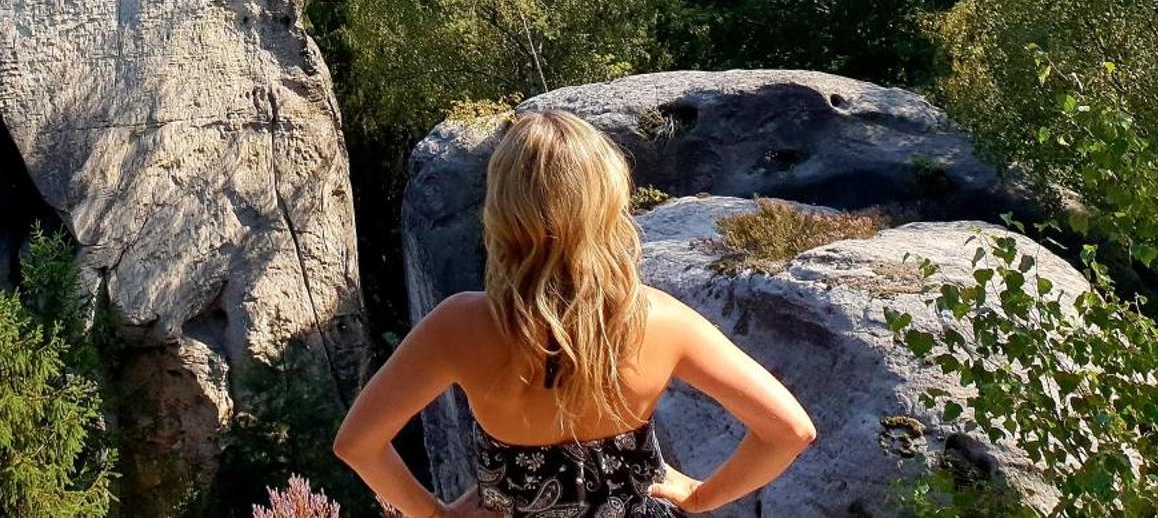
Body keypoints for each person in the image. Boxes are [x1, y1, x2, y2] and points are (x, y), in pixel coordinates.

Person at [334, 111, 816, 515]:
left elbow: (357, 445)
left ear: (500, 210)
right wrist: (699, 495)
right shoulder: (660, 320)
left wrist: (435, 514)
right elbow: (790, 431)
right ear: (608, 205)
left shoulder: (459, 326)